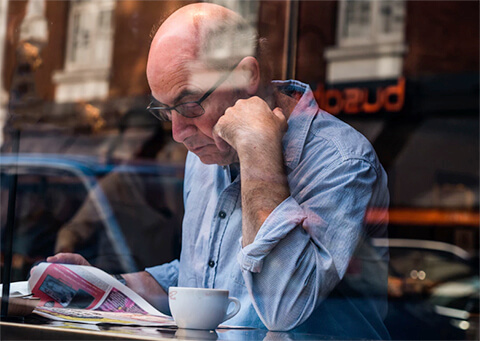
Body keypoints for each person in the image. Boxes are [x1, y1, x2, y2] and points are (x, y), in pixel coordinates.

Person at [47, 3, 390, 338]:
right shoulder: (207, 155)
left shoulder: (343, 162)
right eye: (166, 111)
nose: (178, 132)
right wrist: (110, 285)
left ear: (248, 75)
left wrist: (258, 152)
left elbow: (283, 308)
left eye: (190, 103)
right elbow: (203, 279)